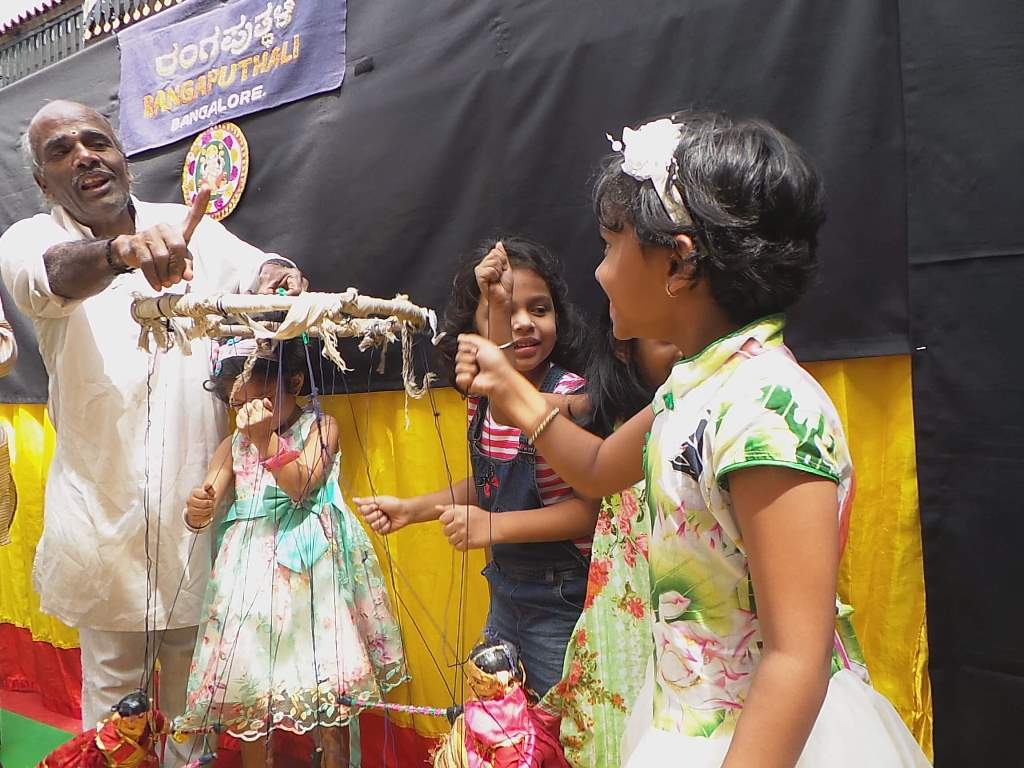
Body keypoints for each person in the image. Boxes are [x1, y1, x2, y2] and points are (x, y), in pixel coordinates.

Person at [452, 112, 931, 766]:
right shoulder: (693, 385)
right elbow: (594, 467)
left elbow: (796, 656)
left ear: (678, 262)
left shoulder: (768, 406)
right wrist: (513, 391)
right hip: (689, 721)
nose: (597, 272)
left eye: (610, 244)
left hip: (766, 738)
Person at [0, 100, 305, 764]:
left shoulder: (182, 226)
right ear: (46, 184)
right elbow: (52, 277)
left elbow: (259, 269)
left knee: (192, 711)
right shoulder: (29, 239)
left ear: (123, 158)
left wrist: (277, 275)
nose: (83, 155)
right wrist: (121, 253)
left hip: (194, 516)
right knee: (116, 721)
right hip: (102, 528)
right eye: (60, 151)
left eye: (95, 141)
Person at [355, 237, 596, 697]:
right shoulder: (481, 406)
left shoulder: (569, 398)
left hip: (561, 600)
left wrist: (493, 527)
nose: (523, 323)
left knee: (560, 723)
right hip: (505, 596)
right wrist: (413, 509)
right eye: (507, 312)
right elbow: (488, 484)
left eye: (539, 309)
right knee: (501, 719)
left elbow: (585, 513)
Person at [173, 336, 407, 767]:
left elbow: (302, 486)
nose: (249, 416)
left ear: (295, 381)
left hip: (313, 571)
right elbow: (204, 503)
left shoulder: (321, 427)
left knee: (328, 685)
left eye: (260, 401)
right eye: (238, 406)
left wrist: (265, 440)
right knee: (252, 682)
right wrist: (197, 509)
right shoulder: (233, 445)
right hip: (251, 574)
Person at [542, 319, 679, 768]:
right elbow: (531, 409)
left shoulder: (710, 403)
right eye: (666, 337)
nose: (683, 349)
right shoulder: (610, 416)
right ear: (624, 350)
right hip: (626, 627)